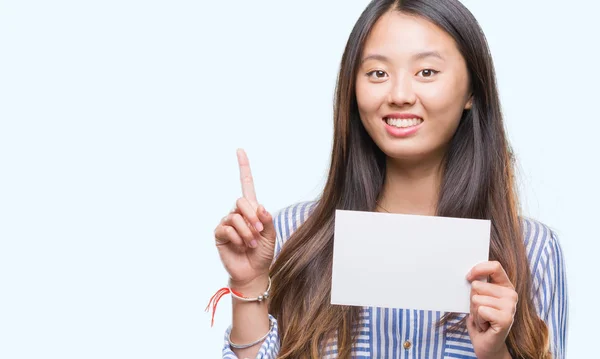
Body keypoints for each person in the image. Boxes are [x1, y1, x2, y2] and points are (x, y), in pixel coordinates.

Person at [210, 0, 568, 358]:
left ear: (472, 90)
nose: (398, 95)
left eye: (426, 72)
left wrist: (495, 353)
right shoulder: (291, 235)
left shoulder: (530, 250)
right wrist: (249, 285)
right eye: (378, 73)